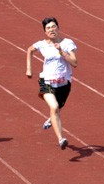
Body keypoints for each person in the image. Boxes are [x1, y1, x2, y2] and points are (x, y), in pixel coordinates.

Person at [26, 17, 77, 150]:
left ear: (58, 28)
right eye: (48, 28)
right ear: (45, 31)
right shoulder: (41, 44)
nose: (51, 30)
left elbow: (74, 63)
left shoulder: (67, 43)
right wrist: (29, 69)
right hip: (47, 82)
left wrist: (62, 51)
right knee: (54, 107)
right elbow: (30, 50)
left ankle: (51, 118)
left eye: (53, 27)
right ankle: (61, 139)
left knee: (58, 108)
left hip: (64, 84)